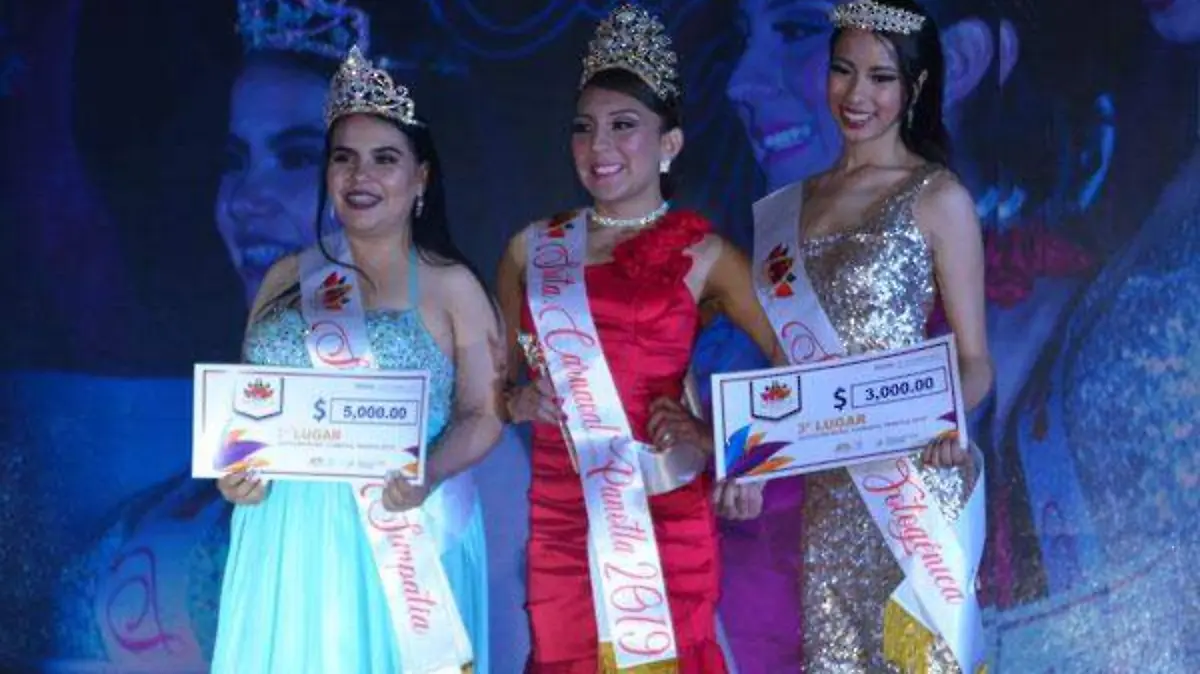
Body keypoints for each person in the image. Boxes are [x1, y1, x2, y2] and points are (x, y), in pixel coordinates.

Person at [495, 5, 783, 672]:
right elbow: (495, 387)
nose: (599, 146)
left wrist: (732, 450)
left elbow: (794, 362)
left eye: (623, 125)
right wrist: (516, 401)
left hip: (661, 506)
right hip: (563, 514)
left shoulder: (706, 255)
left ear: (669, 142)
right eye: (584, 128)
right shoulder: (530, 250)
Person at [211, 46, 502, 673]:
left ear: (421, 177)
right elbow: (248, 411)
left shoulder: (450, 285)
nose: (359, 175)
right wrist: (236, 469)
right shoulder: (284, 279)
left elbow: (485, 413)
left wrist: (428, 474)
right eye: (343, 158)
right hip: (283, 538)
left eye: (384, 159)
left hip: (400, 538)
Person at [745, 1, 992, 671]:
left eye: (881, 77)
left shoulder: (937, 197)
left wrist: (949, 421)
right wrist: (751, 465)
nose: (857, 95)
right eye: (843, 71)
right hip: (830, 499)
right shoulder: (788, 208)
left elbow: (976, 362)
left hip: (914, 491)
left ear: (915, 86)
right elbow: (784, 366)